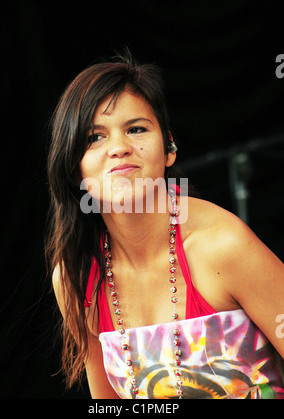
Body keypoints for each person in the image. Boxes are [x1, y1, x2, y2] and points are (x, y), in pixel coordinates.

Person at [46, 51, 284, 399]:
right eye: (94, 137)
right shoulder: (76, 276)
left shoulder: (222, 245)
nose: (119, 148)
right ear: (73, 166)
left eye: (136, 129)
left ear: (169, 148)